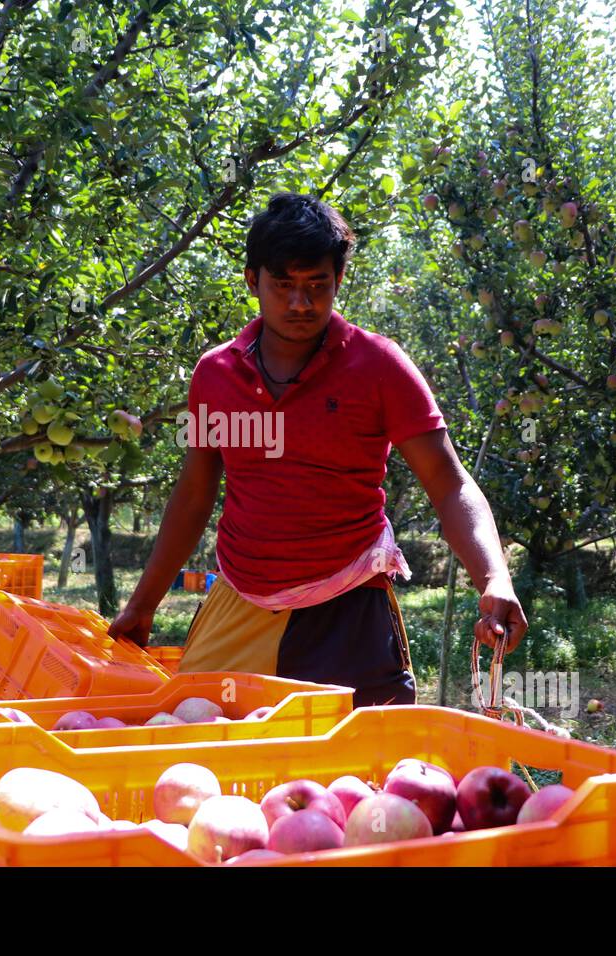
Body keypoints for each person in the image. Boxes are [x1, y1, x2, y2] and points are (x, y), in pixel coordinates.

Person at [107, 192, 526, 706]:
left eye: (316, 286)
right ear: (252, 281)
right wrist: (143, 604)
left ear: (338, 281)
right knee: (196, 750)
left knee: (359, 774)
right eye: (283, 285)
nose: (300, 304)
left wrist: (495, 577)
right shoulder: (216, 375)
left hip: (346, 609)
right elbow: (194, 495)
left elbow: (449, 484)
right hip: (239, 602)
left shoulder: (379, 368)